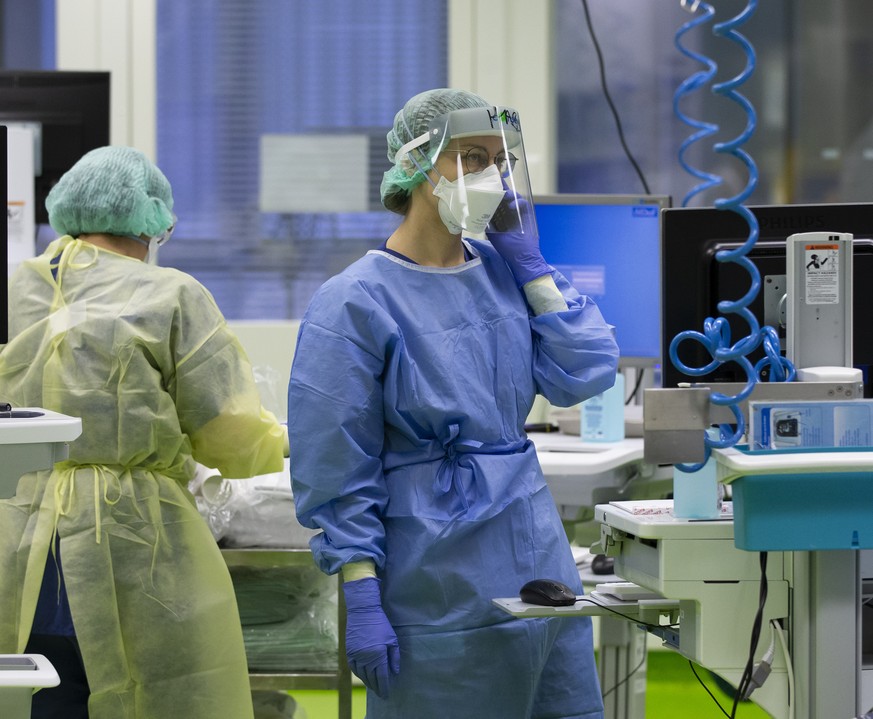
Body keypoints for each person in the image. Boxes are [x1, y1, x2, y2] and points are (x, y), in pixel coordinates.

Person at [288, 88, 618, 718]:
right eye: (469, 158)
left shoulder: (506, 273)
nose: (489, 177)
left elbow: (587, 371)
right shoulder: (354, 301)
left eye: (497, 161)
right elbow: (335, 464)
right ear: (416, 166)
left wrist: (534, 269)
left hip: (533, 552)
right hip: (434, 573)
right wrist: (359, 590)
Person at [0, 146, 288, 719]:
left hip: (19, 534)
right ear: (156, 220)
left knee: (34, 694)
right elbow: (229, 433)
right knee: (147, 692)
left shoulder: (16, 287)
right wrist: (288, 443)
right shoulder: (170, 294)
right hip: (133, 539)